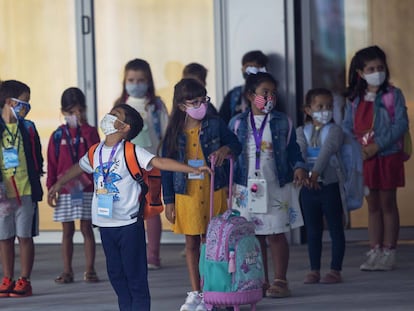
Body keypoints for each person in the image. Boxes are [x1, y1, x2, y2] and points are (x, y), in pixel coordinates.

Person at [47, 104, 211, 311]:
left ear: (125, 128)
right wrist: (58, 184)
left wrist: (193, 168)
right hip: (105, 224)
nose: (108, 116)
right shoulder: (95, 151)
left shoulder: (132, 151)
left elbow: (160, 162)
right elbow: (79, 167)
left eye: (115, 115)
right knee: (115, 272)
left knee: (135, 274)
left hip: (129, 223)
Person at [161, 78, 242, 311]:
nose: (201, 105)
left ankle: (213, 291)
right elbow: (166, 167)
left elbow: (235, 144)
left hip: (213, 190)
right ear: (181, 106)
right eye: (194, 102)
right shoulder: (174, 133)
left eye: (203, 100)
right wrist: (168, 201)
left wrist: (225, 150)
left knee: (213, 243)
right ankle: (196, 291)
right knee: (191, 243)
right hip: (186, 196)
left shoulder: (215, 124)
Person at [229, 72, 306, 298]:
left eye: (273, 92)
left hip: (275, 184)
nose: (270, 97)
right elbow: (231, 152)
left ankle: (280, 280)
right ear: (250, 95)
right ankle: (259, 280)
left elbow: (293, 149)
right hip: (245, 187)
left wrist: (299, 166)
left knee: (276, 232)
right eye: (265, 92)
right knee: (254, 234)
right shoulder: (236, 123)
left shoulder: (283, 121)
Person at [343, 45, 409, 271]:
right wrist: (355, 150)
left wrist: (378, 146)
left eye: (380, 67)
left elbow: (401, 124)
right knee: (372, 206)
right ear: (360, 73)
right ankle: (375, 250)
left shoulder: (393, 95)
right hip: (364, 160)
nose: (377, 71)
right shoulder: (353, 99)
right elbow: (346, 128)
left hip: (388, 157)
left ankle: (389, 251)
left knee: (388, 203)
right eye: (371, 68)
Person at [114, 58, 168, 270]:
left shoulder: (156, 105)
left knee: (151, 208)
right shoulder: (120, 105)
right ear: (125, 81)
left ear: (149, 81)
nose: (136, 83)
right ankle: (131, 254)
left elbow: (165, 131)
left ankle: (153, 255)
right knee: (128, 211)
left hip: (151, 165)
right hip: (126, 166)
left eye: (141, 80)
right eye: (131, 79)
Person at [46, 87, 100, 284]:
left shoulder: (90, 131)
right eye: (70, 112)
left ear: (84, 110)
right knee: (67, 231)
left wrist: (83, 126)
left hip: (86, 188)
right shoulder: (58, 135)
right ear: (63, 112)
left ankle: (90, 270)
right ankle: (67, 271)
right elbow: (52, 163)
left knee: (87, 229)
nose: (75, 116)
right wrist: (51, 188)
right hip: (66, 190)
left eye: (78, 111)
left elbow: (96, 154)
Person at [296, 88, 345, 284]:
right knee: (313, 230)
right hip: (308, 187)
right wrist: (304, 174)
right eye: (320, 106)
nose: (326, 110)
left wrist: (314, 173)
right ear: (308, 110)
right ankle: (314, 269)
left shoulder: (335, 130)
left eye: (329, 106)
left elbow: (327, 150)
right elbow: (299, 151)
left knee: (335, 228)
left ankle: (335, 269)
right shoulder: (301, 131)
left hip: (329, 186)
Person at [0, 80, 44, 298]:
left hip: (25, 192)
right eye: (24, 102)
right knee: (4, 237)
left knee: (24, 236)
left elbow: (37, 156)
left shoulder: (28, 127)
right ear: (10, 102)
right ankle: (7, 278)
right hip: (3, 195)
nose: (26, 107)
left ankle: (24, 279)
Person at [219, 50, 268, 124]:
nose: (251, 71)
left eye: (255, 67)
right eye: (248, 66)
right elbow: (222, 121)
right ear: (242, 69)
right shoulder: (233, 95)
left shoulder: (269, 95)